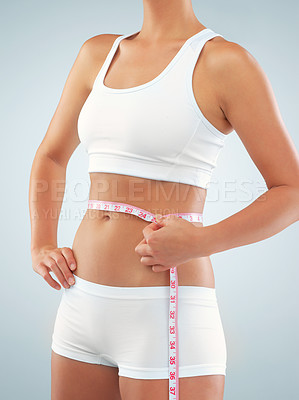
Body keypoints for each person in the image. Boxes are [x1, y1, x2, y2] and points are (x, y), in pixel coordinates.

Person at [29, 1, 299, 399]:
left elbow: (291, 190)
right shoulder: (97, 54)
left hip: (165, 305)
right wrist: (41, 244)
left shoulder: (224, 62)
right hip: (81, 303)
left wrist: (203, 241)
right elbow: (51, 156)